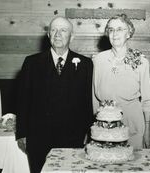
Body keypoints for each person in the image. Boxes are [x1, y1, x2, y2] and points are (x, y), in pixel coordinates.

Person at [16, 16, 93, 173]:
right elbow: (23, 100)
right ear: (48, 35)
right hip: (39, 138)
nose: (58, 34)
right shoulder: (31, 63)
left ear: (72, 36)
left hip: (73, 137)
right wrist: (22, 133)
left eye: (63, 30)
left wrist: (89, 132)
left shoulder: (85, 64)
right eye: (53, 30)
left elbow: (88, 102)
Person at [92, 14, 150, 149]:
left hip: (132, 124)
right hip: (104, 125)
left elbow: (147, 100)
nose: (114, 34)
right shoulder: (98, 60)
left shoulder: (141, 61)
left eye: (120, 29)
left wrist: (147, 130)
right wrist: (94, 126)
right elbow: (94, 98)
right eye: (111, 29)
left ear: (129, 33)